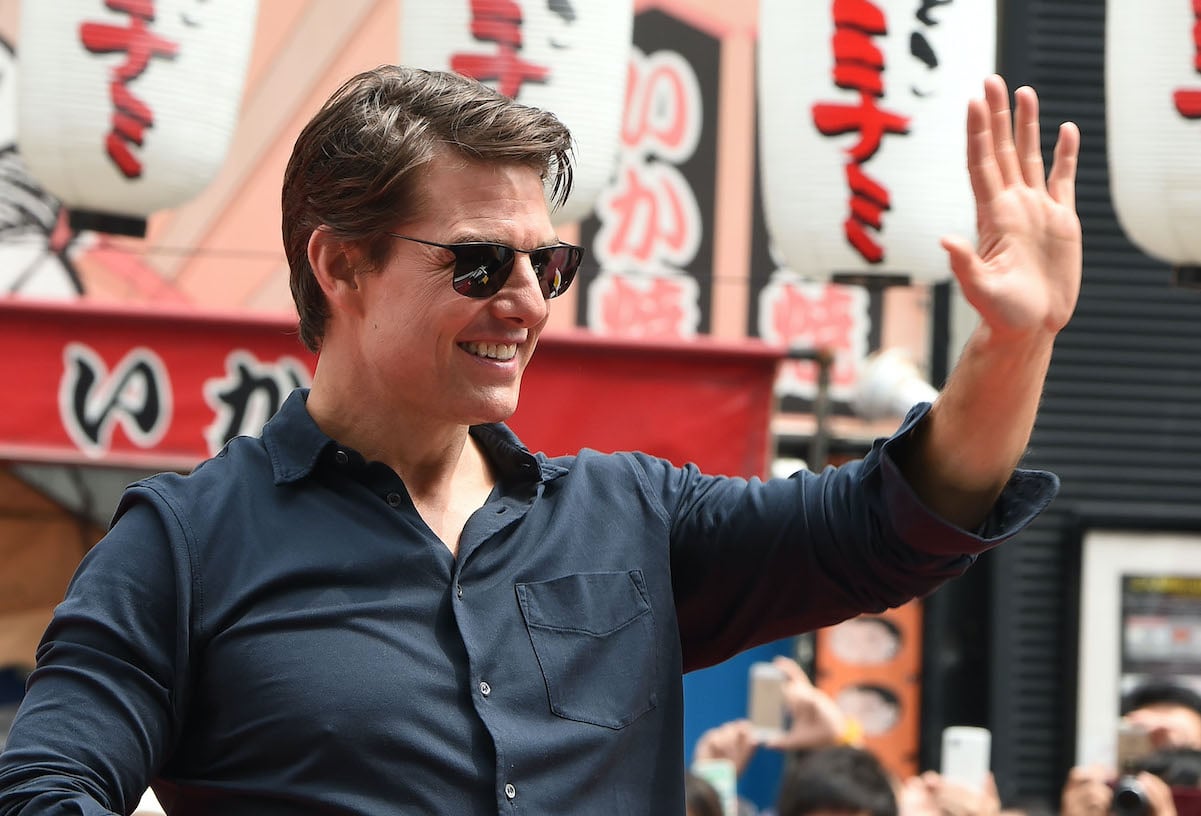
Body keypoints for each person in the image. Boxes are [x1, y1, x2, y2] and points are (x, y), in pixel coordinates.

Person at [0, 62, 1081, 814]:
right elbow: (46, 788)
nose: (524, 300)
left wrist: (1013, 343)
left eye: (547, 265)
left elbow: (897, 521)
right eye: (479, 264)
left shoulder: (635, 517)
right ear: (339, 267)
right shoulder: (182, 547)